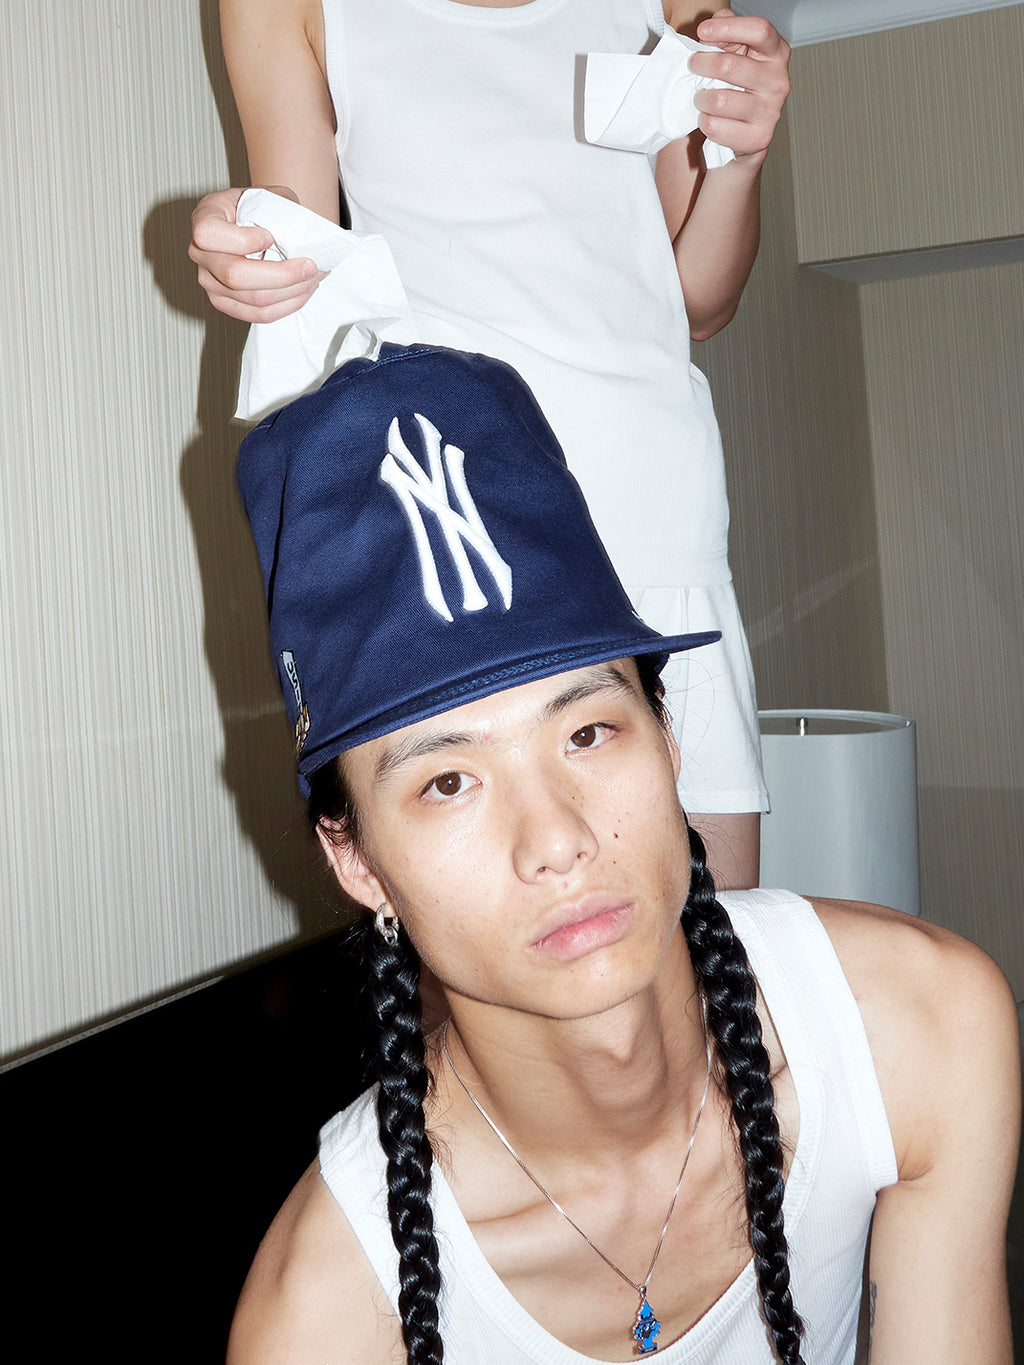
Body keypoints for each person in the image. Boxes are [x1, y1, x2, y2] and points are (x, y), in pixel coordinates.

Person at [226, 341, 1019, 1364]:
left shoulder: (916, 1027)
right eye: (448, 781)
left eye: (589, 731)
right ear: (358, 863)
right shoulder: (323, 1315)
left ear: (668, 738)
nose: (557, 839)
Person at [190, 0, 794, 890]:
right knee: (512, 922)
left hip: (653, 491)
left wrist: (740, 157)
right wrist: (244, 241)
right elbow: (295, 243)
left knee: (710, 943)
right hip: (462, 528)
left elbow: (700, 299)